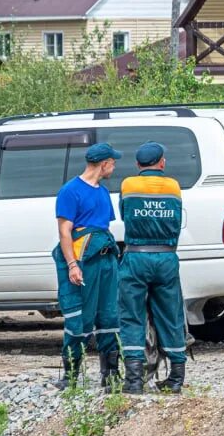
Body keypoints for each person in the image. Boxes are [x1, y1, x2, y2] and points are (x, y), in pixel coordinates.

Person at [117, 142, 187, 394]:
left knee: (131, 316)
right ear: (162, 162)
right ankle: (176, 378)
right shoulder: (173, 187)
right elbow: (177, 220)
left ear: (138, 165)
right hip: (166, 258)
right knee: (171, 316)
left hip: (136, 257)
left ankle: (133, 381)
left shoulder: (128, 185)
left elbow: (125, 215)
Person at [53, 143, 122, 390]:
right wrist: (72, 264)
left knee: (109, 315)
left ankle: (111, 374)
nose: (115, 166)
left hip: (105, 261)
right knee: (80, 318)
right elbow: (65, 231)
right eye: (113, 162)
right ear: (103, 163)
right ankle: (70, 376)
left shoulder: (103, 192)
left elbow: (103, 228)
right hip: (84, 262)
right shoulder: (70, 191)